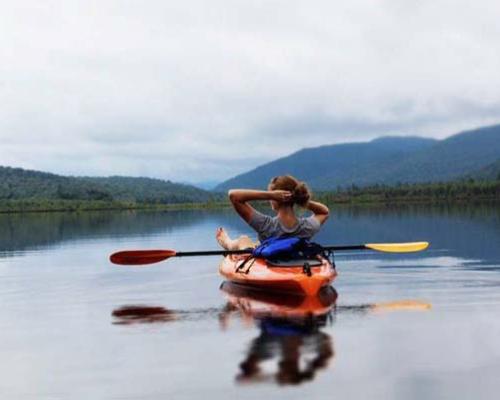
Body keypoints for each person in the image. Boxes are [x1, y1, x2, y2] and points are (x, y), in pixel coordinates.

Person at [216, 175, 329, 250]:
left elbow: (233, 196)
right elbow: (324, 212)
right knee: (256, 244)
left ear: (276, 198)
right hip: (293, 256)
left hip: (272, 259)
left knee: (243, 239)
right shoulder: (307, 227)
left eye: (271, 196)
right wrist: (298, 199)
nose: (270, 199)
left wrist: (269, 195)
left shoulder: (266, 225)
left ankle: (226, 243)